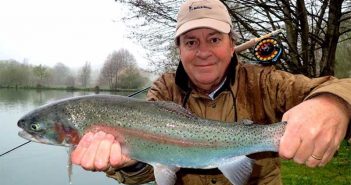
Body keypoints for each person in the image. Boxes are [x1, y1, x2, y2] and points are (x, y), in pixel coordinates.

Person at [71, 0, 351, 184]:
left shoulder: (264, 82)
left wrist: (333, 104)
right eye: (191, 42)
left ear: (232, 45)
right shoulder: (164, 90)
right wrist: (130, 162)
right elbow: (149, 171)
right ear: (179, 50)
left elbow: (339, 86)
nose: (203, 52)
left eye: (214, 39)